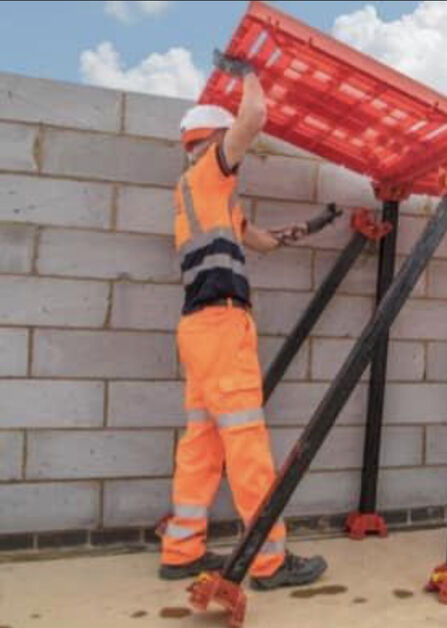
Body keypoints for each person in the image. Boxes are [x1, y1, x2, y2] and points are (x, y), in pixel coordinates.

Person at [159, 65, 327, 591]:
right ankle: (269, 561)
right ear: (210, 140)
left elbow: (259, 240)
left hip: (200, 331)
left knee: (202, 445)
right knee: (247, 444)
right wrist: (249, 74)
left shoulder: (205, 198)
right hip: (221, 326)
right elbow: (254, 116)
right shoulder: (209, 170)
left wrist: (291, 233)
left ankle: (182, 550)